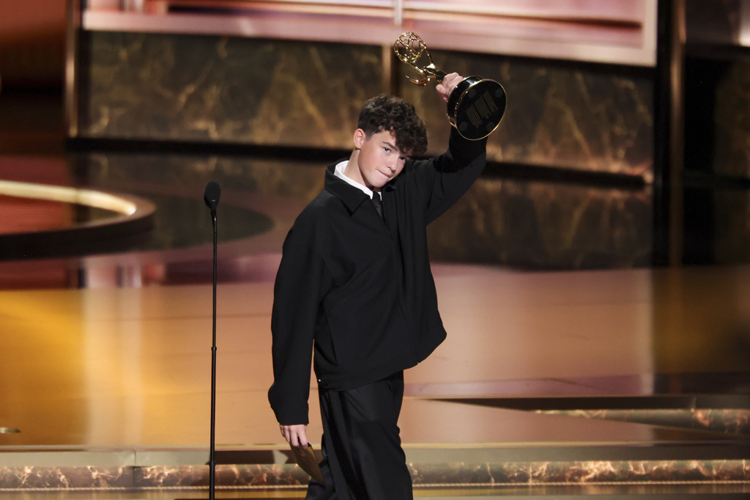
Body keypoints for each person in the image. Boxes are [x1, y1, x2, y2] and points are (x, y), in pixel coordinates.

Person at [269, 73, 487, 500]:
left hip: (388, 368)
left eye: (403, 157)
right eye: (387, 149)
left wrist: (467, 112)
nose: (393, 165)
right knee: (387, 485)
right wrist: (291, 405)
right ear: (359, 138)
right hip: (352, 379)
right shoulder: (318, 223)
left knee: (343, 483)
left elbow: (460, 166)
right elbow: (293, 319)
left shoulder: (402, 191)